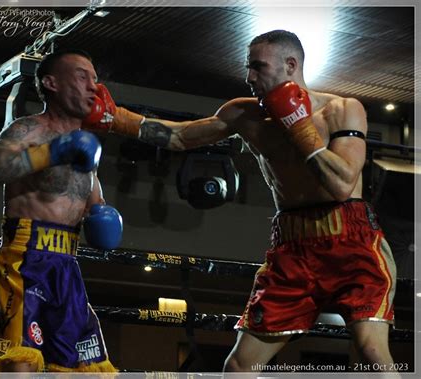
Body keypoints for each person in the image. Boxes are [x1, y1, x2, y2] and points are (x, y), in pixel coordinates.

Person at [84, 30, 398, 374]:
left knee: (371, 352)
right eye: (248, 68)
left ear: (290, 65)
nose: (249, 77)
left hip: (351, 244)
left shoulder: (342, 110)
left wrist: (297, 125)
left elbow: (341, 185)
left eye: (258, 67)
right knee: (238, 366)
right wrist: (119, 120)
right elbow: (179, 135)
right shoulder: (243, 114)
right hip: (292, 249)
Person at [0, 49, 123, 373]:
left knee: (88, 367)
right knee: (21, 364)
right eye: (82, 76)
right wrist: (50, 154)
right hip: (26, 260)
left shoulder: (88, 149)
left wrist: (104, 217)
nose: (93, 86)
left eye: (95, 79)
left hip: (68, 266)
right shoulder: (29, 131)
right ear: (51, 83)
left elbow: (97, 210)